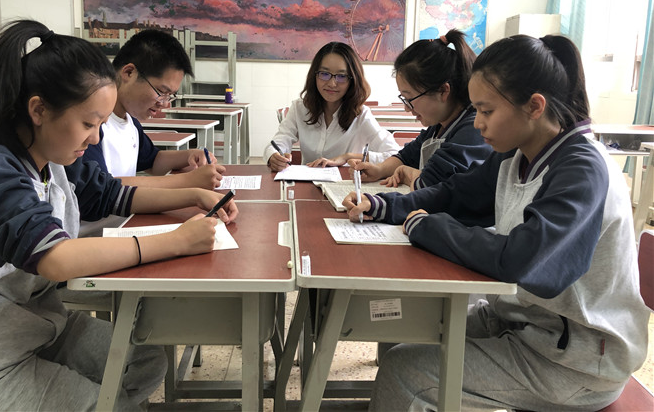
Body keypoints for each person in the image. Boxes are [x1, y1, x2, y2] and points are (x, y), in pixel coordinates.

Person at [344, 34, 649, 411]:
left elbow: (521, 259)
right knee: (410, 329)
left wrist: (427, 227)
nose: (479, 123)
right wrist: (382, 205)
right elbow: (455, 194)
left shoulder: (583, 170)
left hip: (576, 361)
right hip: (527, 324)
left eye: (486, 111)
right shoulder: (516, 154)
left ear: (534, 106)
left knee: (406, 371)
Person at [0, 20, 238, 411]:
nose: (95, 138)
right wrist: (175, 241)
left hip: (34, 325)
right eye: (89, 124)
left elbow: (111, 193)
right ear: (38, 110)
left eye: (101, 124)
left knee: (144, 361)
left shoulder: (50, 157)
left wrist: (194, 195)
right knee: (106, 402)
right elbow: (55, 259)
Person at [83, 28, 224, 189]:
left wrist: (190, 155)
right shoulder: (91, 125)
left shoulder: (130, 122)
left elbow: (153, 161)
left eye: (170, 95)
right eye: (162, 92)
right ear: (129, 73)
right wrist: (187, 181)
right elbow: (102, 188)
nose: (164, 103)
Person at [349, 30, 491, 189]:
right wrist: (380, 170)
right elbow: (406, 157)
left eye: (409, 99)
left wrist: (407, 175)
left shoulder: (473, 129)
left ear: (443, 91)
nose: (406, 108)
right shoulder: (438, 126)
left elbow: (434, 183)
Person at [264, 41, 399, 171]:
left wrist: (348, 157)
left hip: (345, 184)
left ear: (352, 80)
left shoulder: (361, 116)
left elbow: (394, 154)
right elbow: (278, 142)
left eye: (341, 76)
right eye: (324, 74)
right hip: (307, 183)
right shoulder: (299, 108)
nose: (332, 83)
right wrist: (273, 156)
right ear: (314, 75)